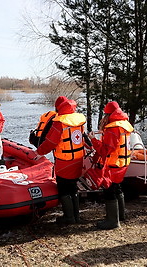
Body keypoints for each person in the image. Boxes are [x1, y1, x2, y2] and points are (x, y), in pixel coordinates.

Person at [34, 96, 87, 224]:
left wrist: (39, 152)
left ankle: (69, 218)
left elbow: (51, 142)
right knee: (73, 187)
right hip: (78, 159)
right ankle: (76, 215)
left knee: (64, 188)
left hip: (64, 162)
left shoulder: (59, 123)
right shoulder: (79, 121)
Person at [88, 101, 134, 230]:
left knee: (109, 190)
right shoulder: (125, 124)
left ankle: (112, 221)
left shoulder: (113, 128)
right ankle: (120, 215)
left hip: (113, 165)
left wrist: (93, 140)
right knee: (117, 188)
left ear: (108, 114)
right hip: (122, 163)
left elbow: (105, 150)